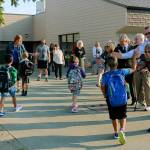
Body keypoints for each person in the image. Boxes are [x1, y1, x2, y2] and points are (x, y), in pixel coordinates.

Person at [101, 56, 134, 144]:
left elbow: (103, 86)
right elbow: (132, 70)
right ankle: (122, 130)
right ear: (117, 64)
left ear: (108, 65)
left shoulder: (106, 75)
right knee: (123, 116)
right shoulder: (122, 71)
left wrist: (105, 94)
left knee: (113, 117)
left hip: (111, 99)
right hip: (122, 98)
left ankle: (116, 133)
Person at [114, 34, 136, 105]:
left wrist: (134, 67)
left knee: (131, 84)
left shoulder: (132, 48)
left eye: (123, 41)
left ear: (127, 40)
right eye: (121, 41)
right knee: (122, 84)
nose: (122, 43)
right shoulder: (117, 48)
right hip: (120, 69)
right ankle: (124, 99)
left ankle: (134, 99)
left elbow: (134, 59)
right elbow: (115, 59)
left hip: (130, 68)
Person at [132, 43, 150, 111]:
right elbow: (137, 66)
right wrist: (134, 57)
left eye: (149, 51)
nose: (147, 53)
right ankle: (141, 102)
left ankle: (149, 103)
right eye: (146, 51)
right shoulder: (142, 56)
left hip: (148, 74)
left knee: (146, 78)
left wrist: (146, 69)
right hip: (142, 73)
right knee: (136, 74)